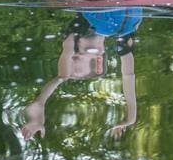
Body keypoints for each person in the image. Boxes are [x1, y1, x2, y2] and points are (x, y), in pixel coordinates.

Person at [19, 8, 143, 141]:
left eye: (71, 54)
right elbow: (128, 75)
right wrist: (130, 118)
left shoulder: (79, 27)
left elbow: (62, 76)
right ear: (99, 61)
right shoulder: (122, 35)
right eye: (77, 55)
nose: (71, 52)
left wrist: (40, 102)